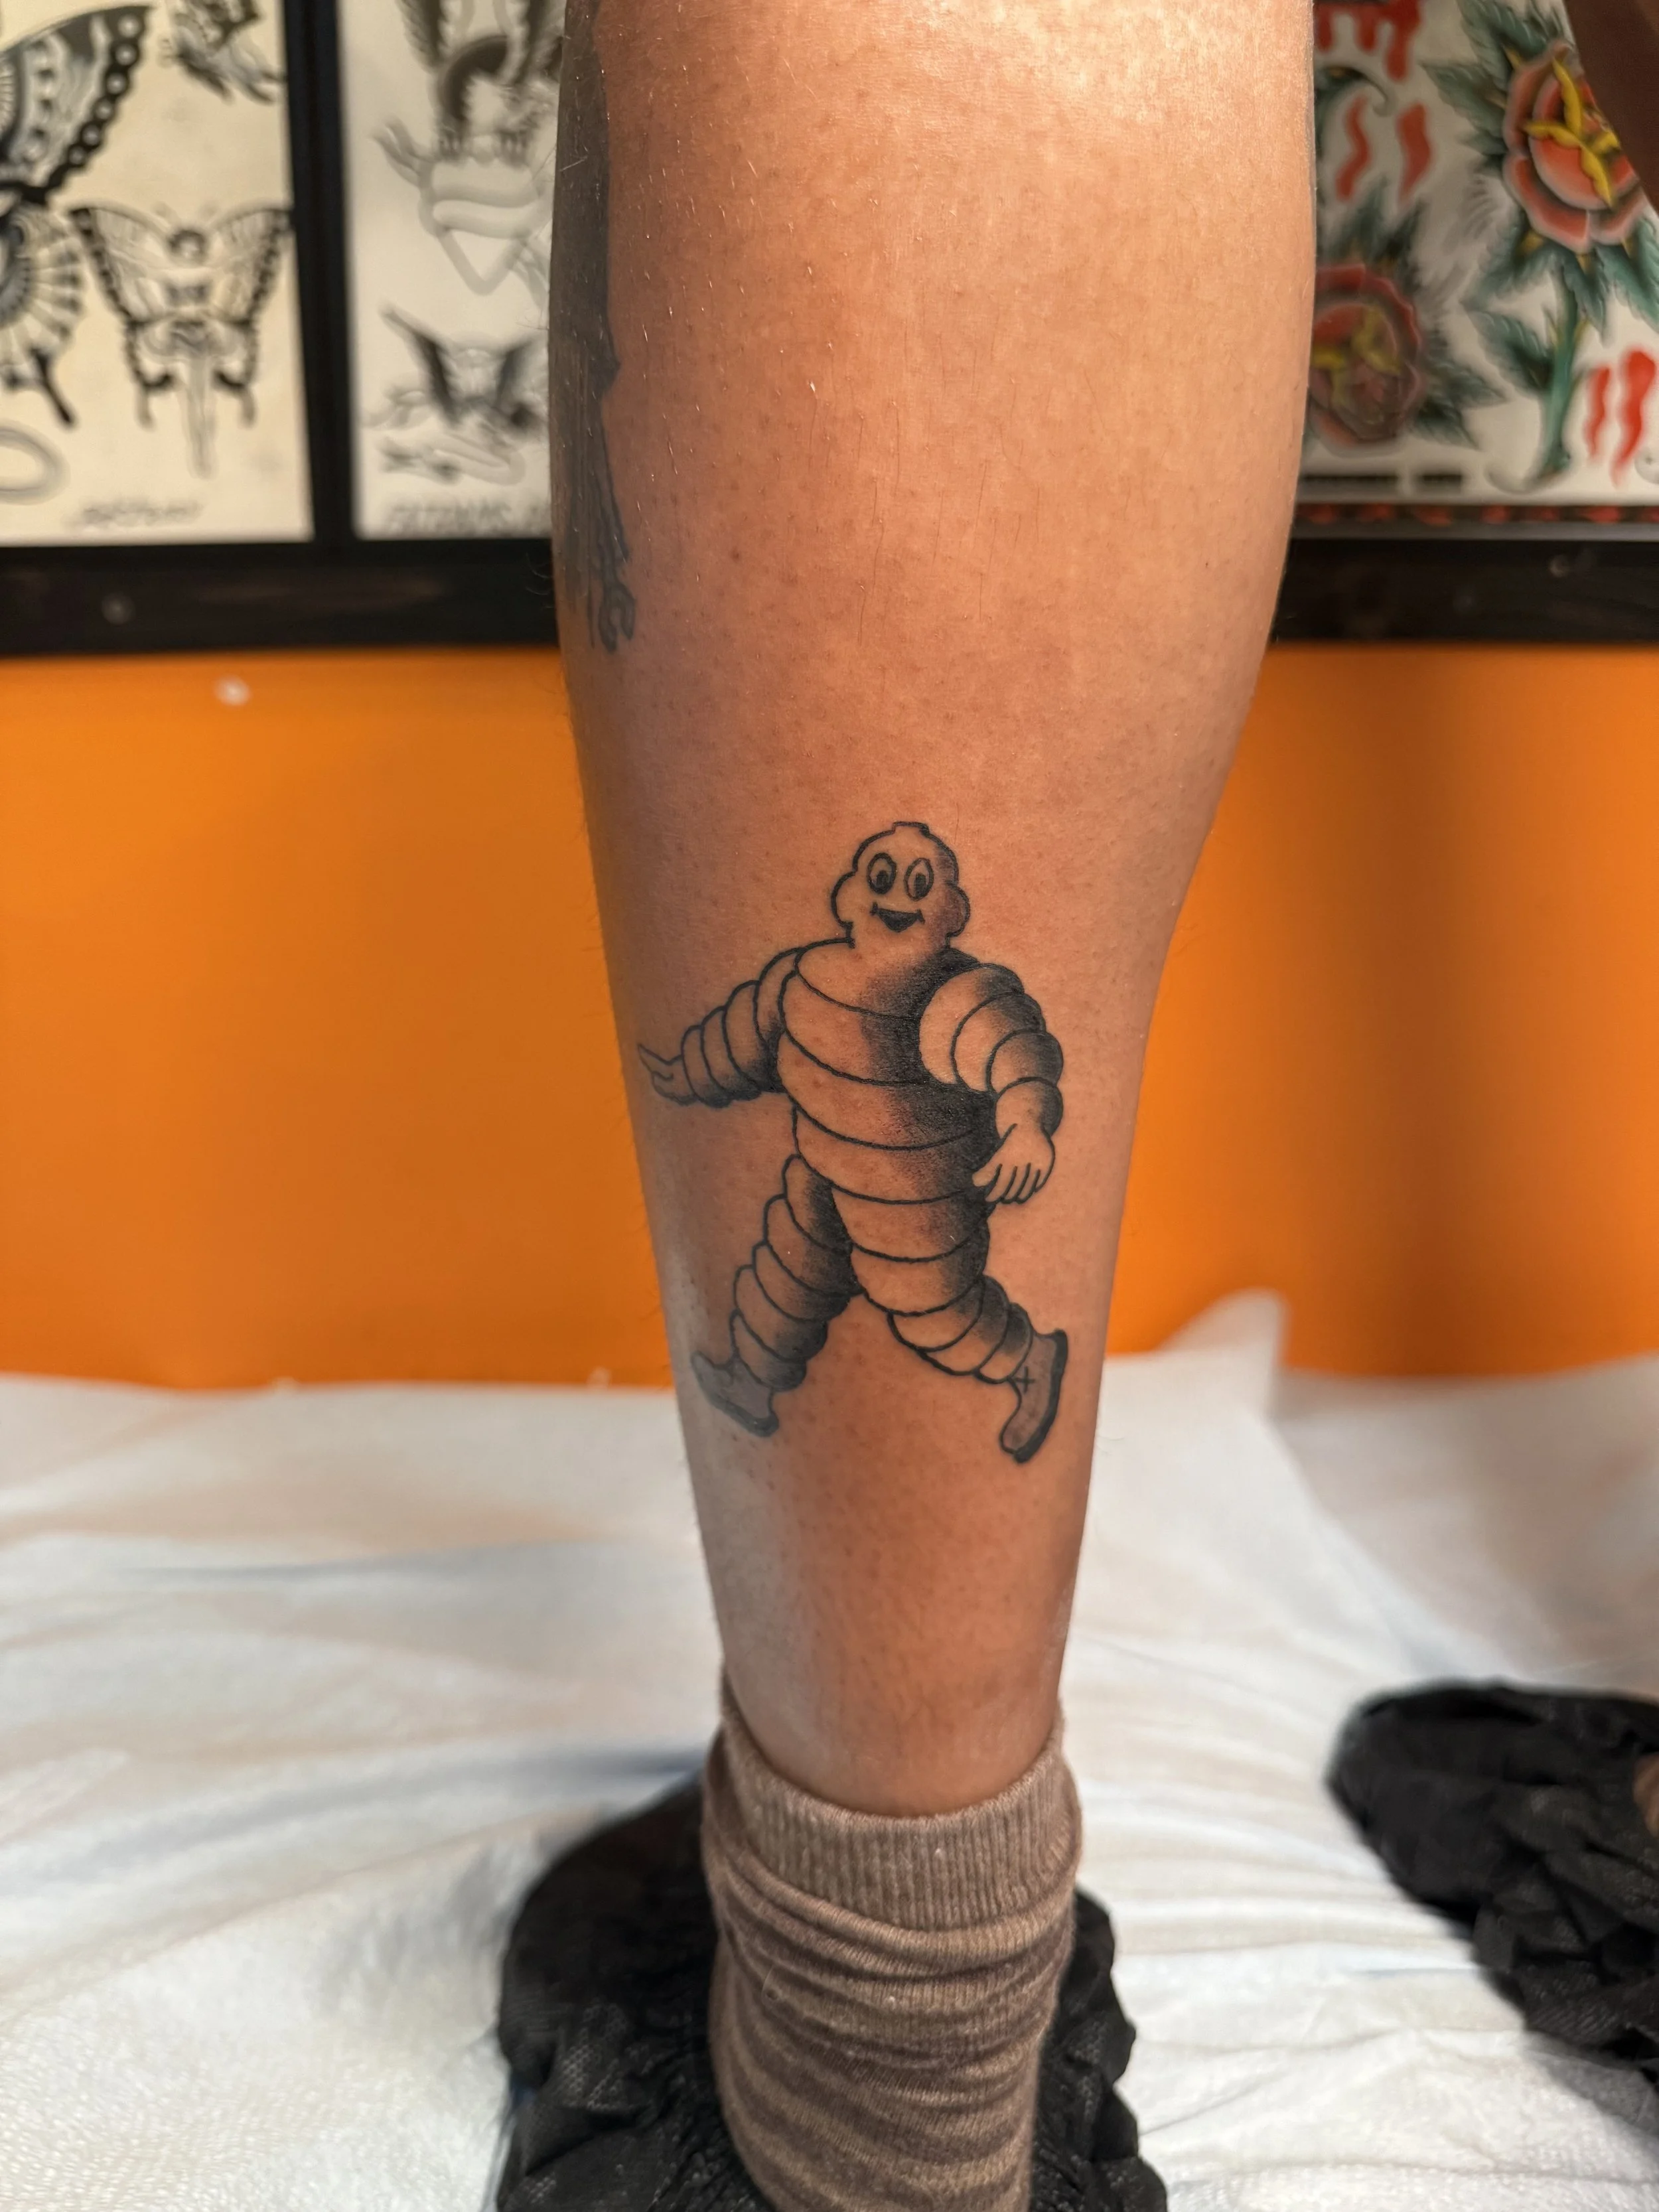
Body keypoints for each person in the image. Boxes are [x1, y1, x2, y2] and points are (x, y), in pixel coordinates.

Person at [493, 3, 1659, 2208]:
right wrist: (715, 1056)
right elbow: (751, 1028)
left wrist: (1007, 1110)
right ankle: (896, 2012)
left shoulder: (945, 993)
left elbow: (987, 1044)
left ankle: (881, 2043)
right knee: (797, 1278)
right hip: (826, 1191)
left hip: (917, 1204)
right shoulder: (842, 973)